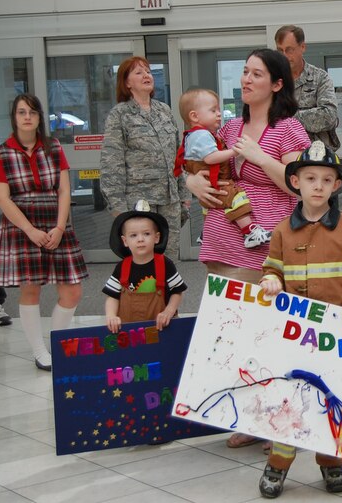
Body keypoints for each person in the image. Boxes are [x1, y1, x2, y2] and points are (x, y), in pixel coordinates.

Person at [185, 48, 311, 449]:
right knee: (230, 328)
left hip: (267, 237)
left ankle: (271, 416)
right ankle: (246, 412)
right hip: (224, 231)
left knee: (263, 330)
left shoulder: (289, 128)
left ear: (276, 84)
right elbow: (200, 164)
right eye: (243, 72)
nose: (245, 80)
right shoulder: (230, 125)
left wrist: (259, 156)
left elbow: (300, 184)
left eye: (256, 74)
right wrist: (191, 184)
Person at [257, 141, 342, 498]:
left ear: (337, 185)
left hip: (336, 338)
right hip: (294, 339)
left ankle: (331, 464)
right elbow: (272, 269)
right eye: (310, 178)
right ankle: (277, 467)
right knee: (290, 403)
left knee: (332, 401)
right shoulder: (281, 230)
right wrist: (271, 281)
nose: (317, 186)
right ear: (295, 181)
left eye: (326, 179)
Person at [0, 94, 88, 371]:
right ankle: (39, 352)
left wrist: (60, 227)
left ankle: (57, 342)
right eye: (22, 112)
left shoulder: (54, 147)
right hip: (21, 223)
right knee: (30, 290)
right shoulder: (2, 153)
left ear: (39, 118)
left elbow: (63, 190)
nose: (27, 117)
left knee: (72, 291)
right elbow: (3, 198)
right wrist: (29, 230)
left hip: (55, 219)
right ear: (14, 117)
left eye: (32, 112)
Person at [100, 56, 190, 263]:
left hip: (170, 200)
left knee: (168, 265)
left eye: (148, 71)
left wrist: (184, 194)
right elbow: (111, 163)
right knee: (142, 265)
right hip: (138, 201)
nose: (146, 75)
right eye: (138, 72)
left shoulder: (164, 111)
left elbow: (177, 157)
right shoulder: (120, 115)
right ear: (127, 82)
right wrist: (118, 207)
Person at [174, 88, 271, 248]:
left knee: (209, 205)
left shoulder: (195, 135)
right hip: (216, 180)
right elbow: (210, 158)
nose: (219, 114)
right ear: (194, 116)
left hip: (208, 182)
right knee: (235, 196)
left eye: (218, 110)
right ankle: (249, 231)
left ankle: (205, 233)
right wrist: (234, 151)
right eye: (213, 110)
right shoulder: (202, 135)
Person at [103, 200, 186, 333]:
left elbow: (177, 291)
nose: (140, 239)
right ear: (125, 241)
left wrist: (169, 311)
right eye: (133, 235)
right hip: (130, 334)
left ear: (156, 238)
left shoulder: (165, 264)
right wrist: (111, 315)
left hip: (163, 329)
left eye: (146, 234)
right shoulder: (122, 267)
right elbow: (112, 296)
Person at [275, 25, 340, 151]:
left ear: (302, 47)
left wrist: (288, 119)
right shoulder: (272, 80)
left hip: (318, 154)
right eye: (279, 50)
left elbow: (329, 116)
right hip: (281, 154)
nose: (284, 56)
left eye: (289, 50)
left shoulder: (320, 78)